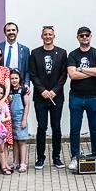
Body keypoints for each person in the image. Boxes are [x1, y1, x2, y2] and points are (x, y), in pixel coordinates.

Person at [29, 26, 68, 169]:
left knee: (56, 127)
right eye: (45, 34)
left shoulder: (62, 53)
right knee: (42, 127)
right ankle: (40, 158)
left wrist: (55, 91)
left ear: (54, 36)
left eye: (50, 34)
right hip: (40, 97)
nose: (48, 36)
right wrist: (42, 90)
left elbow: (64, 74)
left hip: (56, 97)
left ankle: (56, 157)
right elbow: (33, 74)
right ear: (42, 36)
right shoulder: (35, 53)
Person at [67, 26, 96, 168]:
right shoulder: (72, 55)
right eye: (82, 35)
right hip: (76, 97)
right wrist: (91, 72)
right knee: (75, 128)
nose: (84, 37)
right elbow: (72, 75)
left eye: (87, 35)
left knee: (94, 128)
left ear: (90, 36)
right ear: (78, 37)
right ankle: (74, 157)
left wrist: (81, 69)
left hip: (93, 97)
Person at [8, 70, 30, 172]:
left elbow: (27, 105)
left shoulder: (23, 90)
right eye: (12, 78)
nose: (14, 80)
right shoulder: (9, 91)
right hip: (11, 119)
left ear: (19, 79)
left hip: (20, 119)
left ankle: (23, 163)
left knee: (21, 141)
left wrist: (24, 119)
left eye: (16, 78)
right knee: (15, 141)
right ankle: (15, 162)